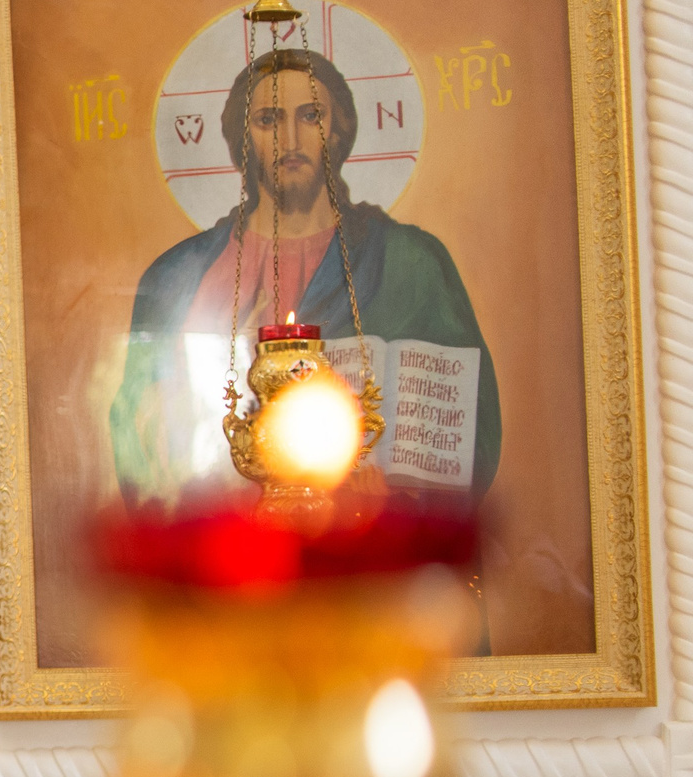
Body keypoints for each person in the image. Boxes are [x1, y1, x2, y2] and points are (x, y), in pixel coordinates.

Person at [109, 46, 501, 517]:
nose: (290, 139)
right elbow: (137, 439)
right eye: (268, 120)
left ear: (336, 132)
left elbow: (469, 436)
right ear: (243, 138)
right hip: (230, 563)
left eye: (311, 115)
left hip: (361, 563)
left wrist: (391, 506)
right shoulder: (177, 277)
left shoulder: (410, 263)